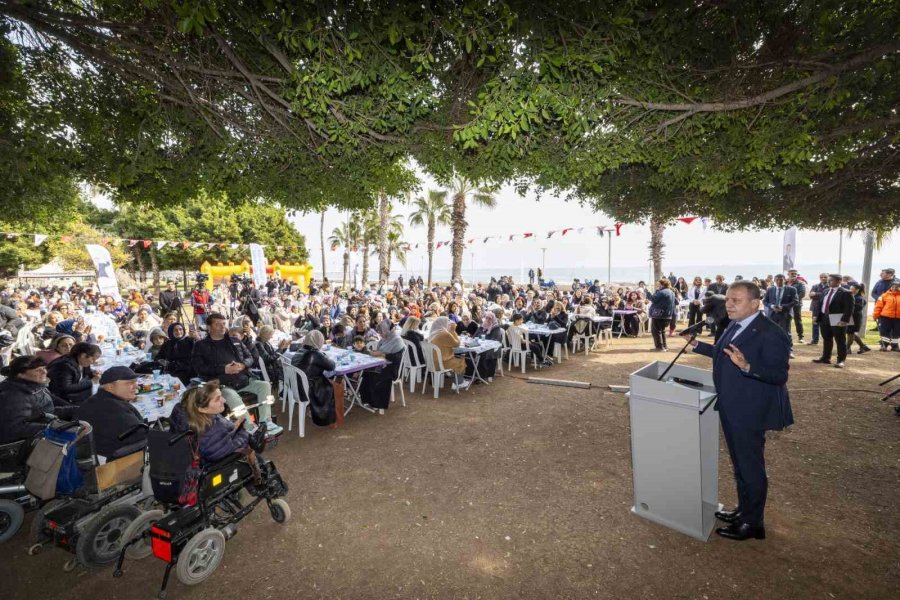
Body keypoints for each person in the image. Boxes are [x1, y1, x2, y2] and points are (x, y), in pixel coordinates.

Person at [683, 280, 793, 541]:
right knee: (740, 465)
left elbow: (779, 375)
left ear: (755, 303)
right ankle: (744, 511)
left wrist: (747, 367)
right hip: (732, 405)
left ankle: (753, 524)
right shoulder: (736, 323)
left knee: (750, 467)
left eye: (736, 300)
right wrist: (698, 346)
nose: (729, 305)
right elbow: (725, 353)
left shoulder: (771, 333)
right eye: (728, 300)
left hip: (750, 410)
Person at [190, 313, 282, 434]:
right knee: (232, 396)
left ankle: (266, 421)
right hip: (222, 384)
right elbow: (199, 368)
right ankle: (250, 427)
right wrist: (224, 369)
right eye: (217, 324)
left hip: (243, 379)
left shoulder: (235, 341)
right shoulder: (200, 345)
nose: (222, 327)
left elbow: (250, 357)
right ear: (209, 327)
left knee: (264, 385)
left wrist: (243, 365)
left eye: (224, 324)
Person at [73, 367, 147, 459]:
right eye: (130, 383)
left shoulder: (97, 399)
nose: (136, 386)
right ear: (110, 387)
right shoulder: (114, 408)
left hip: (97, 453)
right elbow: (140, 435)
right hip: (115, 460)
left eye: (135, 382)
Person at [0, 356, 76, 444]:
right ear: (20, 374)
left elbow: (46, 411)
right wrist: (53, 427)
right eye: (38, 370)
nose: (44, 372)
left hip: (38, 431)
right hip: (19, 445)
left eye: (44, 368)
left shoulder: (35, 386)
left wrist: (76, 409)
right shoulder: (15, 395)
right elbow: (16, 428)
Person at [180, 380, 254, 464]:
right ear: (203, 409)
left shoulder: (202, 415)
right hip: (223, 464)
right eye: (218, 399)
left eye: (221, 396)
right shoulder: (211, 430)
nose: (224, 400)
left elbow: (219, 440)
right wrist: (245, 433)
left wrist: (234, 428)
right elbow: (227, 451)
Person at [290, 330, 338, 427]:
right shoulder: (314, 354)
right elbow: (331, 366)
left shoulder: (301, 350)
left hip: (295, 386)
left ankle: (312, 410)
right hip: (306, 389)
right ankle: (327, 416)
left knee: (326, 377)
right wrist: (326, 357)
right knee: (333, 385)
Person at [812, 274, 854, 368]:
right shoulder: (825, 291)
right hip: (824, 317)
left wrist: (844, 320)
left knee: (840, 340)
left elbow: (849, 308)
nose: (828, 281)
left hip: (837, 318)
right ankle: (826, 358)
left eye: (831, 280)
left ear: (839, 281)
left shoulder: (846, 292)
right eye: (828, 280)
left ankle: (841, 360)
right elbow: (819, 304)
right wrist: (816, 316)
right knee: (826, 338)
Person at [428, 316, 469, 390]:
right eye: (448, 323)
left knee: (456, 358)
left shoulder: (433, 333)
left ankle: (456, 379)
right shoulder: (444, 334)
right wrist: (453, 331)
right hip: (442, 363)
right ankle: (459, 383)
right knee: (461, 360)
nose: (449, 325)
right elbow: (457, 344)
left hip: (432, 362)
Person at [763, 274, 798, 357]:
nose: (779, 281)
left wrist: (783, 307)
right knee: (772, 332)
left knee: (786, 332)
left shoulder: (791, 289)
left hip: (785, 314)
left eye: (781, 279)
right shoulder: (770, 289)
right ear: (774, 280)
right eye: (777, 279)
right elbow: (765, 301)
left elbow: (795, 301)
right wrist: (772, 306)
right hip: (772, 314)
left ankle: (789, 350)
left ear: (784, 280)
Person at [648, 280, 676, 352]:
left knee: (656, 331)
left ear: (662, 285)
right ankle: (664, 346)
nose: (657, 286)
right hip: (667, 315)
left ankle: (659, 347)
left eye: (658, 284)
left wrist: (648, 293)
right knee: (662, 331)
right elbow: (676, 302)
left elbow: (653, 299)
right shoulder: (671, 292)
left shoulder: (662, 292)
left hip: (659, 314)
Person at [873, 279, 900, 351]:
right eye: (894, 286)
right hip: (886, 317)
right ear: (891, 287)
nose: (895, 288)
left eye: (897, 286)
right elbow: (878, 306)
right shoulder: (884, 295)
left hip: (898, 318)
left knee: (897, 331)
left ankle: (895, 346)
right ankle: (884, 345)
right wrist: (875, 315)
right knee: (885, 331)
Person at [845, 283, 871, 354]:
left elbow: (857, 308)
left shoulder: (859, 298)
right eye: (850, 288)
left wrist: (847, 309)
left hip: (855, 318)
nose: (850, 290)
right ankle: (863, 346)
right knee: (850, 333)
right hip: (851, 317)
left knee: (850, 333)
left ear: (857, 290)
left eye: (852, 289)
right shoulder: (852, 296)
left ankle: (847, 348)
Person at [806, 273, 829, 345]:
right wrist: (818, 294)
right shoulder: (815, 286)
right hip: (816, 308)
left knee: (825, 325)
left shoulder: (830, 287)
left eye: (825, 277)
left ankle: (827, 340)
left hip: (826, 308)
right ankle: (814, 340)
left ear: (828, 278)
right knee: (815, 324)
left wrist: (816, 294)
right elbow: (811, 296)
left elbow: (827, 296)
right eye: (821, 277)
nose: (823, 278)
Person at [786, 270, 807, 343]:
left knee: (797, 320)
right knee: (786, 320)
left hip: (796, 305)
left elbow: (802, 294)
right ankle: (787, 335)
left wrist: (792, 301)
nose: (794, 275)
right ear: (788, 274)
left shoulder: (800, 283)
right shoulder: (785, 283)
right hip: (786, 305)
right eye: (792, 273)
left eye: (795, 274)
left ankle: (800, 336)